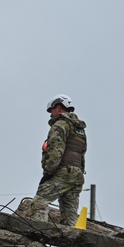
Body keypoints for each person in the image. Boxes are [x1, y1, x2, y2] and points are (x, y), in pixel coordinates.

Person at [30, 94, 87, 226]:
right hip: (77, 176)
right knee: (70, 217)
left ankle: (38, 237)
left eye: (51, 110)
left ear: (58, 107)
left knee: (39, 202)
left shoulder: (60, 125)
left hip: (63, 173)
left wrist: (48, 172)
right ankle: (74, 245)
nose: (50, 114)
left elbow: (56, 151)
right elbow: (82, 153)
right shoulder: (79, 130)